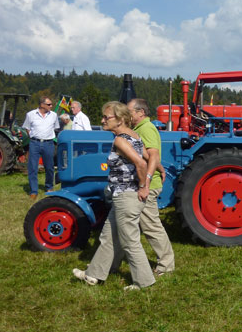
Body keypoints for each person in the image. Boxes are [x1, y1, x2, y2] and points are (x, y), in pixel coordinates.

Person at [72, 102, 155, 291]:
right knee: (108, 236)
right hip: (122, 196)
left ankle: (144, 282)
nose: (102, 120)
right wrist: (147, 181)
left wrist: (144, 187)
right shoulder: (135, 136)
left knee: (129, 241)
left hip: (127, 197)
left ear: (119, 120)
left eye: (106, 117)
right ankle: (94, 274)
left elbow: (141, 164)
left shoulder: (120, 140)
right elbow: (150, 159)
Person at [124, 98, 174, 276]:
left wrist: (147, 180)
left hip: (147, 185)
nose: (127, 114)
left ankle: (166, 264)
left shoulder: (147, 128)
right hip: (141, 183)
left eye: (129, 111)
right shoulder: (138, 129)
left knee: (151, 226)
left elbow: (153, 156)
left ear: (140, 112)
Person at [22, 97, 60, 200]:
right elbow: (27, 128)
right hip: (35, 143)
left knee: (49, 167)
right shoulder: (30, 115)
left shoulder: (54, 115)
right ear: (42, 105)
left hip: (48, 143)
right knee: (33, 167)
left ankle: (49, 187)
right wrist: (33, 138)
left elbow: (56, 127)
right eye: (49, 104)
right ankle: (34, 191)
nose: (51, 106)